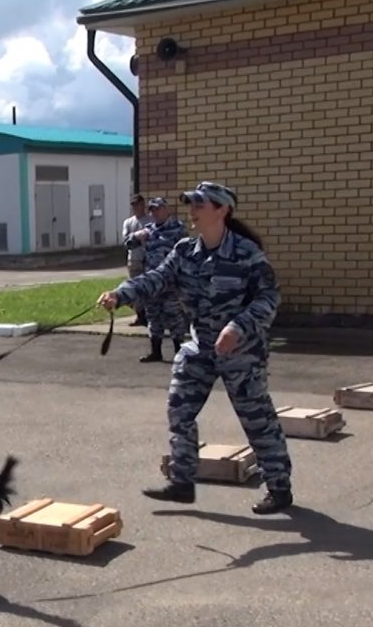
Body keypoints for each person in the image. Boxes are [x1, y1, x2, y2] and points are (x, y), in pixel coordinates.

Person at [98, 181, 293, 515]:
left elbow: (268, 298)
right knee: (179, 410)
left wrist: (238, 326)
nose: (193, 212)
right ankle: (182, 482)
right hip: (200, 347)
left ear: (222, 210)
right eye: (191, 204)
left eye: (200, 205)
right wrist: (120, 294)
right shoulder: (185, 251)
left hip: (241, 352)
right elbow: (155, 279)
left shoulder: (247, 253)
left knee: (256, 419)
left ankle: (279, 487)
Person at [125, 197, 189, 362]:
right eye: (152, 210)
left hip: (170, 282)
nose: (155, 213)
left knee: (173, 316)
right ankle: (156, 352)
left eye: (159, 209)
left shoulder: (177, 228)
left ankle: (179, 352)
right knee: (153, 316)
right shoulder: (148, 230)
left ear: (167, 210)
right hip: (151, 282)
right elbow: (128, 244)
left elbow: (185, 252)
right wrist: (136, 236)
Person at [122, 194, 154, 327]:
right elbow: (126, 240)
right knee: (134, 289)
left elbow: (152, 238)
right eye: (133, 205)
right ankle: (140, 316)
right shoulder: (128, 222)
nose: (136, 208)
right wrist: (137, 238)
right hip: (134, 260)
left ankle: (149, 316)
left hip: (147, 260)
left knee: (147, 289)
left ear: (143, 205)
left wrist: (139, 239)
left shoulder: (150, 220)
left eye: (138, 205)